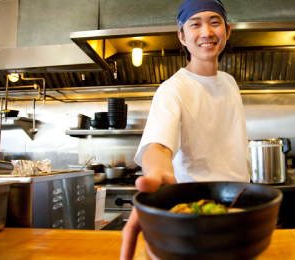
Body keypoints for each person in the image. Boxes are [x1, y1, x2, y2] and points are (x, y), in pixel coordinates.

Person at [120, 0, 251, 259]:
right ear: (182, 36)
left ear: (228, 30)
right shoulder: (173, 90)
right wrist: (160, 181)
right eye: (195, 24)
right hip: (196, 217)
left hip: (240, 210)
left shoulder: (230, 82)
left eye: (215, 22)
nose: (207, 32)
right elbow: (157, 146)